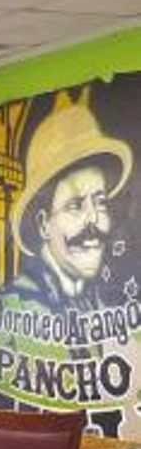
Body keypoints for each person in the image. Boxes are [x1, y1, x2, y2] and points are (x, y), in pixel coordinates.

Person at [9, 104, 133, 312]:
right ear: (43, 224)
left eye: (100, 202)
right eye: (75, 205)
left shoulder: (97, 302)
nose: (93, 218)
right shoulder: (17, 305)